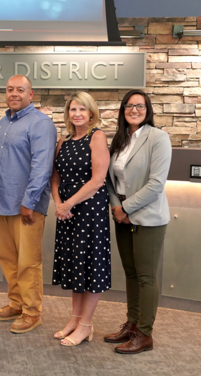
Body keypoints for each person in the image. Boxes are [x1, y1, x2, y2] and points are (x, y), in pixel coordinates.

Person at [0, 75, 56, 334]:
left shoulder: (41, 123)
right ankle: (15, 303)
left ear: (31, 94)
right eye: (10, 89)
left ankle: (32, 312)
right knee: (8, 259)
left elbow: (42, 166)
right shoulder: (3, 123)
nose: (14, 93)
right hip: (2, 202)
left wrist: (30, 202)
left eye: (20, 90)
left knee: (28, 262)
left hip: (26, 207)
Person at [104, 90, 172, 354]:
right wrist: (116, 207)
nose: (134, 110)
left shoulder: (158, 138)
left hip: (147, 217)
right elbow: (111, 181)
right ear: (123, 110)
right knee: (130, 273)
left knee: (146, 276)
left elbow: (156, 184)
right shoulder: (120, 140)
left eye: (140, 105)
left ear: (148, 109)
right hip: (121, 213)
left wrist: (127, 208)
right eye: (129, 106)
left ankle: (144, 334)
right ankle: (131, 325)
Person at [50, 92, 111, 346]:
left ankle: (86, 325)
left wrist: (68, 203)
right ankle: (74, 319)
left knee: (91, 267)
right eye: (73, 109)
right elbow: (55, 178)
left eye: (82, 110)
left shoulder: (96, 137)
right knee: (76, 266)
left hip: (89, 211)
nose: (77, 114)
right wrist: (58, 204)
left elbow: (97, 180)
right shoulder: (63, 140)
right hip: (67, 213)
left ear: (91, 113)